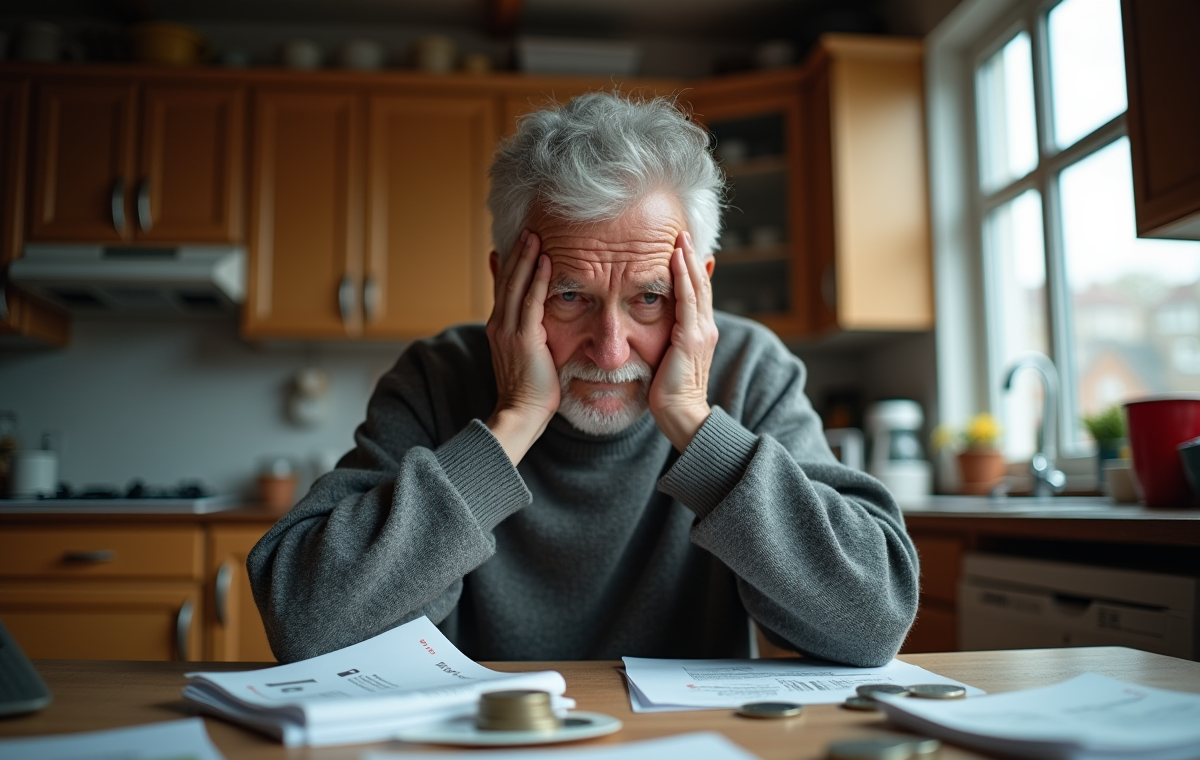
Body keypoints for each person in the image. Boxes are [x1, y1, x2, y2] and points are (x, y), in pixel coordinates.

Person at [248, 93, 919, 667]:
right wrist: (510, 423)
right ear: (506, 282)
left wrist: (694, 421)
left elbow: (876, 619)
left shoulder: (748, 370)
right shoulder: (437, 376)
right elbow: (304, 624)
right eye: (569, 296)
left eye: (650, 298)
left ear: (699, 291)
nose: (609, 348)